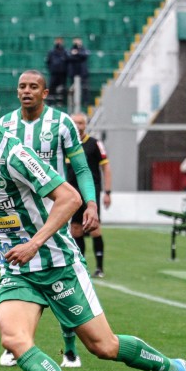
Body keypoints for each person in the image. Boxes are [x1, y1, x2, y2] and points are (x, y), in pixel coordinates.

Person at [0, 85, 186, 371]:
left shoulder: (18, 154)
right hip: (18, 271)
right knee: (13, 338)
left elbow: (69, 198)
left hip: (57, 265)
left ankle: (172, 368)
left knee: (104, 346)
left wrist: (34, 242)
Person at [0, 70, 99, 369]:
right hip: (14, 215)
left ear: (44, 92)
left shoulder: (62, 123)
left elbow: (80, 168)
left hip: (53, 213)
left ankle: (69, 349)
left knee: (59, 276)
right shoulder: (4, 125)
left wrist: (90, 203)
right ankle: (17, 341)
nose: (26, 91)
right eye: (22, 86)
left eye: (33, 87)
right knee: (12, 271)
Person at [67, 113, 112, 280]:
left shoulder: (95, 144)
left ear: (85, 125)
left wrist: (108, 192)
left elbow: (106, 168)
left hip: (90, 192)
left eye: (81, 123)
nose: (78, 126)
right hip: (72, 193)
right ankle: (81, 266)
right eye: (74, 123)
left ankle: (99, 267)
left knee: (94, 228)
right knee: (76, 230)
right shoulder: (66, 144)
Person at [45, 37, 69, 105]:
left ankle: (61, 102)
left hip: (63, 74)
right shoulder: (51, 52)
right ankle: (50, 103)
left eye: (60, 41)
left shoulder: (65, 52)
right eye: (57, 41)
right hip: (54, 73)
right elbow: (48, 62)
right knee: (51, 87)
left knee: (62, 88)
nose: (58, 42)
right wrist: (51, 69)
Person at [67, 37, 90, 106]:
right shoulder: (71, 49)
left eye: (78, 40)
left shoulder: (84, 49)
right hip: (73, 72)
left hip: (83, 72)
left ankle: (85, 102)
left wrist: (77, 53)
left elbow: (85, 55)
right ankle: (74, 103)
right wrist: (77, 54)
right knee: (73, 89)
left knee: (85, 87)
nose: (77, 42)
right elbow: (69, 57)